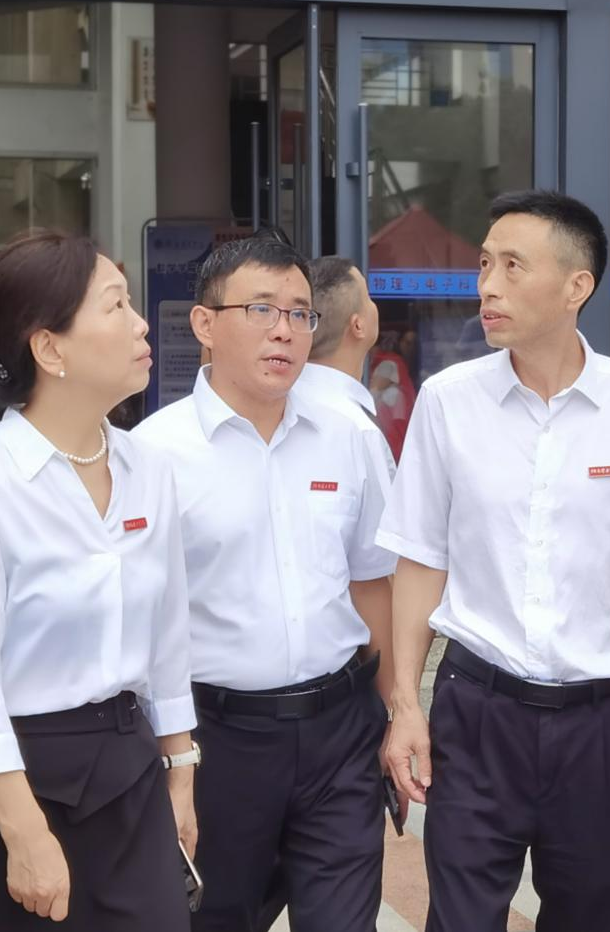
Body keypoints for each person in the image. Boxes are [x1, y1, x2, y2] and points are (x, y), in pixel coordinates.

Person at [380, 189, 610, 932]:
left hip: (606, 720)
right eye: (485, 265)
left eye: (513, 267)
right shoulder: (449, 401)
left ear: (576, 285)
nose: (488, 286)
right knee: (460, 919)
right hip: (477, 712)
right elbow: (420, 561)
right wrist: (405, 707)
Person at [0, 230, 198, 931]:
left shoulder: (150, 471)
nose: (141, 324)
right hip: (13, 789)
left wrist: (180, 772)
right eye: (116, 305)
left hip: (129, 774)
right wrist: (24, 834)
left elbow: (169, 638)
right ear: (50, 348)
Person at [133, 234, 397, 932]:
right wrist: (173, 758)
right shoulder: (152, 456)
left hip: (340, 732)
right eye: (260, 309)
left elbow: (374, 582)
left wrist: (395, 710)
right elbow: (142, 621)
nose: (284, 330)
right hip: (218, 738)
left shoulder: (348, 438)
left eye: (300, 313)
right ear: (204, 324)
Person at [294, 256, 397, 486]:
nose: (375, 306)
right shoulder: (360, 432)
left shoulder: (270, 407)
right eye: (368, 297)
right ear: (358, 325)